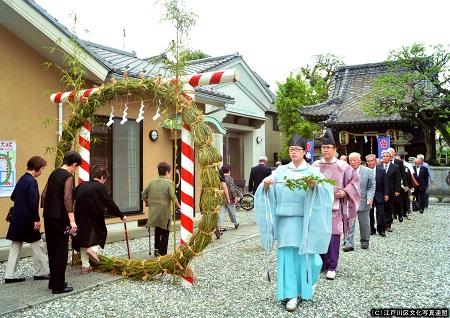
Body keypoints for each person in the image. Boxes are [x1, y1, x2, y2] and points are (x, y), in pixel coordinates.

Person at [255, 134, 333, 312]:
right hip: (285, 221)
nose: (294, 152)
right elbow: (264, 189)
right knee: (287, 258)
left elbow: (326, 190)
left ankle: (307, 285)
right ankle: (290, 294)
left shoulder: (312, 171)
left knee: (310, 259)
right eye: (291, 149)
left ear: (305, 151)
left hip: (305, 221)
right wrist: (266, 185)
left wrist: (315, 186)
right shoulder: (281, 171)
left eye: (297, 149)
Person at [312, 128, 360, 280]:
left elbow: (355, 181)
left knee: (333, 236)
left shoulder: (343, 166)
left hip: (335, 207)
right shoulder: (315, 166)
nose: (325, 150)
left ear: (334, 149)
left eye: (328, 147)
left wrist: (345, 192)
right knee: (319, 234)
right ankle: (321, 263)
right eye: (323, 147)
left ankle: (332, 266)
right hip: (319, 206)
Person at [4, 156, 50, 284]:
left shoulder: (22, 179)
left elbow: (13, 197)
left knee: (16, 245)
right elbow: (33, 202)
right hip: (28, 219)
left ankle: (10, 275)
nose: (42, 171)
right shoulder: (32, 181)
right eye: (42, 169)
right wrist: (37, 220)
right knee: (37, 244)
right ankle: (41, 271)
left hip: (17, 218)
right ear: (38, 168)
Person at [72, 167, 127, 274]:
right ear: (102, 177)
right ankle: (93, 250)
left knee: (84, 240)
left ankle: (85, 266)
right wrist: (121, 215)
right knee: (100, 234)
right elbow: (109, 203)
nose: (105, 181)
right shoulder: (101, 187)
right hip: (94, 217)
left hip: (79, 217)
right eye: (105, 179)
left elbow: (72, 196)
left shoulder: (82, 185)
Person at [41, 151, 81, 294]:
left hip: (49, 217)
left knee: (52, 250)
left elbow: (43, 195)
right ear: (74, 164)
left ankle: (53, 282)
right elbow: (67, 198)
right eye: (76, 168)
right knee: (61, 251)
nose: (75, 171)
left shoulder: (53, 174)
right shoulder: (68, 176)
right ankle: (58, 286)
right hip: (60, 218)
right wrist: (72, 219)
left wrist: (48, 208)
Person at [142, 162, 181, 256]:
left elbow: (143, 194)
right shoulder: (169, 183)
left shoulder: (152, 182)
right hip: (164, 213)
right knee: (165, 232)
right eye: (170, 172)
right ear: (167, 172)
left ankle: (156, 249)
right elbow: (172, 196)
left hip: (154, 212)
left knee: (157, 229)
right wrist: (178, 206)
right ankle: (162, 252)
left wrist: (147, 202)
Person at [344, 153, 375, 251]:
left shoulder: (368, 171)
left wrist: (370, 197)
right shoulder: (346, 171)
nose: (352, 162)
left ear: (359, 160)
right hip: (349, 202)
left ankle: (365, 241)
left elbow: (371, 186)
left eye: (354, 160)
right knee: (349, 224)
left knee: (364, 223)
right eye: (350, 160)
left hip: (364, 201)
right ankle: (349, 243)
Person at [366, 154, 388, 237]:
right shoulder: (364, 170)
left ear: (375, 161)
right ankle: (371, 229)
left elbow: (385, 183)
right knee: (369, 213)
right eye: (368, 161)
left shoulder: (381, 171)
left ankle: (381, 230)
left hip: (379, 194)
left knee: (380, 213)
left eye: (372, 161)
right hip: (368, 196)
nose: (370, 163)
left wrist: (386, 194)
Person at [381, 150, 401, 232]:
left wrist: (397, 190)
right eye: (384, 156)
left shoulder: (395, 167)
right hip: (380, 191)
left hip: (391, 190)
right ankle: (382, 223)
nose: (385, 158)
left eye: (387, 156)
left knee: (389, 207)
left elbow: (398, 180)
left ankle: (388, 224)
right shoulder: (379, 166)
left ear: (390, 158)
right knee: (381, 208)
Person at [387, 148, 407, 222]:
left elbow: (403, 174)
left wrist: (406, 185)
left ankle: (400, 214)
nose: (389, 154)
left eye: (390, 152)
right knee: (388, 203)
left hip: (396, 185)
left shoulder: (398, 162)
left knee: (397, 201)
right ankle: (390, 217)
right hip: (388, 185)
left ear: (394, 154)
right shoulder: (383, 162)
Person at [218, 164, 239, 231]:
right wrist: (235, 197)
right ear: (229, 171)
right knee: (232, 211)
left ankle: (221, 226)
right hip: (229, 197)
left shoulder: (219, 178)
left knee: (221, 212)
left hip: (220, 197)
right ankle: (236, 223)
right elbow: (232, 188)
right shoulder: (230, 178)